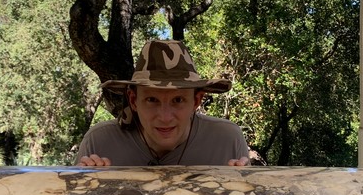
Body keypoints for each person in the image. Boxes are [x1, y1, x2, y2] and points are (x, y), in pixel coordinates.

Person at [77, 40, 250, 167]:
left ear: (196, 101)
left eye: (178, 100)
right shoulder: (99, 143)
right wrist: (84, 184)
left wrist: (245, 184)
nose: (165, 117)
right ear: (133, 100)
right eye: (152, 100)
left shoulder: (227, 140)